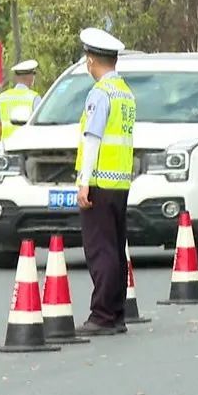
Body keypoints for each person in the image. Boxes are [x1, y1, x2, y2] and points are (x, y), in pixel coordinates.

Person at [74, 28, 136, 335]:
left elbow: (93, 139)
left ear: (91, 60)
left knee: (100, 251)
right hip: (120, 183)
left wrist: (84, 181)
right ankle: (116, 314)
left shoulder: (100, 93)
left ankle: (101, 315)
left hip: (99, 182)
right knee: (115, 247)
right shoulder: (125, 93)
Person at [0, 60, 41, 140]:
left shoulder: (2, 97)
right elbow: (40, 125)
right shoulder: (34, 98)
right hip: (27, 146)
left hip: (6, 147)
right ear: (30, 77)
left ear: (16, 77)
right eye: (33, 74)